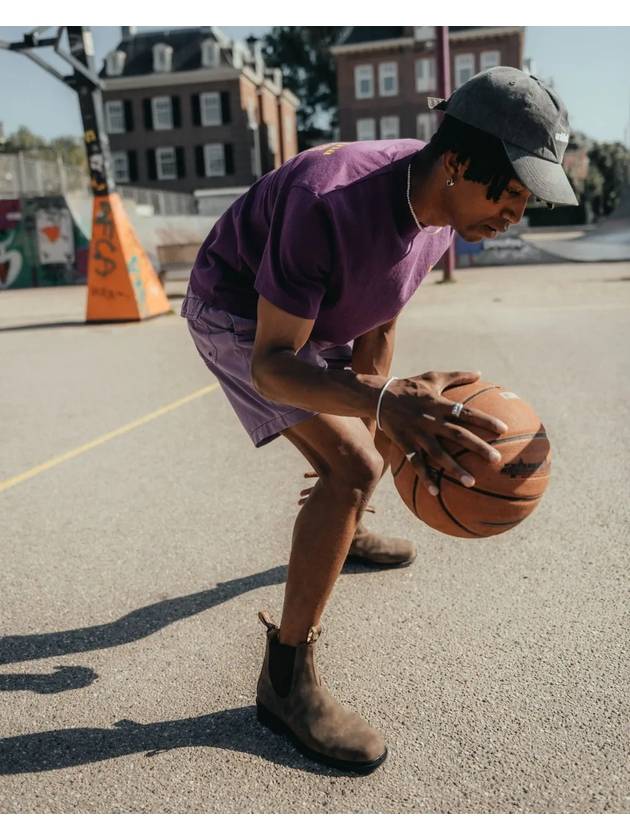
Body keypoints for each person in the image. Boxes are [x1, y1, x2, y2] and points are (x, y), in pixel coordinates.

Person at [180, 67, 578, 774]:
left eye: (528, 197)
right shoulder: (328, 199)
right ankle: (285, 681)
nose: (519, 212)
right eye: (512, 191)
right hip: (239, 312)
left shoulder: (445, 208)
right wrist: (379, 410)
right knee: (357, 462)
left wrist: (380, 393)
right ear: (457, 163)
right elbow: (275, 363)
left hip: (310, 316)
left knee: (375, 428)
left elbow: (379, 319)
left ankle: (344, 520)